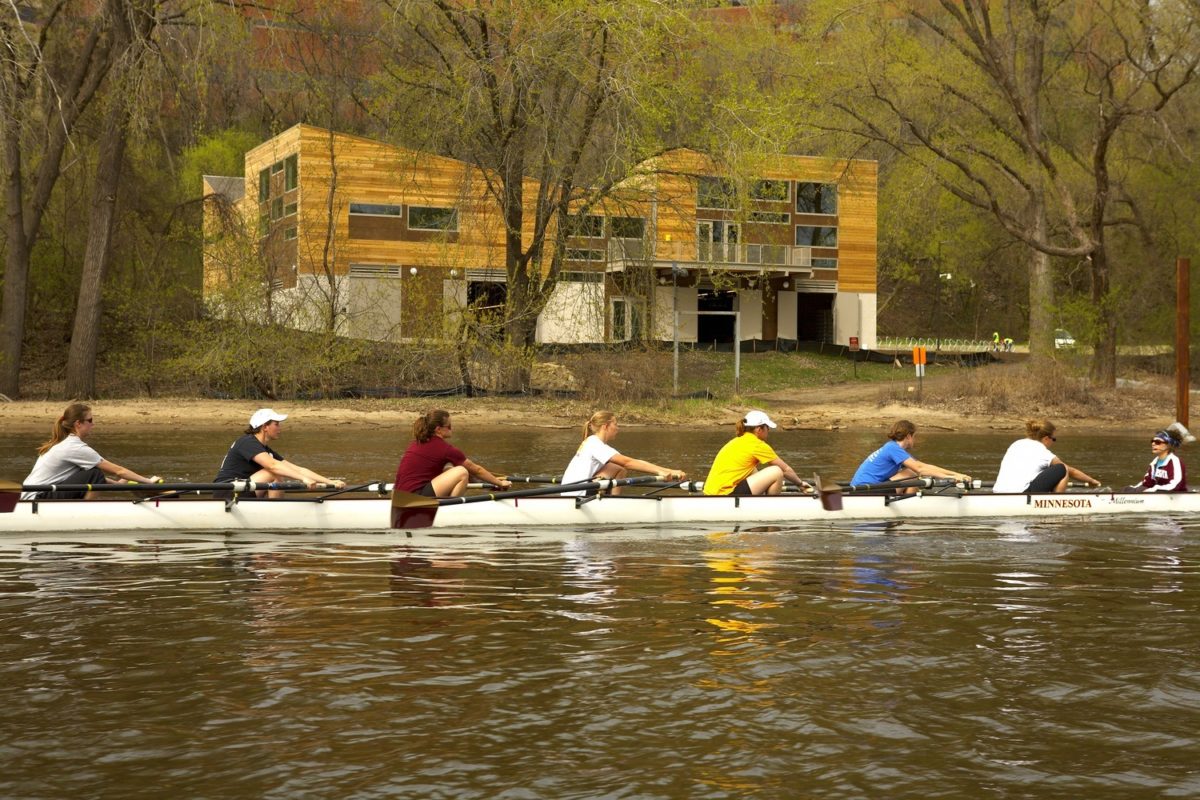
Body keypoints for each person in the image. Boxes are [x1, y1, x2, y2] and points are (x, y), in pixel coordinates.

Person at [21, 403, 162, 500]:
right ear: (78, 424)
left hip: (30, 496)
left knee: (93, 474)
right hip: (37, 498)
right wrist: (148, 482)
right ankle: (86, 511)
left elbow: (81, 477)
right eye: (90, 420)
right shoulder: (74, 447)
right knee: (95, 472)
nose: (93, 424)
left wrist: (118, 485)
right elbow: (118, 471)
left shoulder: (64, 443)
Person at [214, 408, 346, 498]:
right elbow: (273, 466)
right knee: (274, 472)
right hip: (226, 492)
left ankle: (274, 509)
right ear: (265, 427)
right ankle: (276, 511)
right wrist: (303, 480)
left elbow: (298, 469)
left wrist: (330, 481)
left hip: (243, 489)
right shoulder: (247, 442)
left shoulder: (266, 450)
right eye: (276, 424)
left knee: (280, 471)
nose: (280, 428)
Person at [561, 410, 686, 496]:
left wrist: (667, 470)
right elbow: (628, 463)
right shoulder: (595, 444)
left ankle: (613, 502)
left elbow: (632, 461)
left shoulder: (594, 442)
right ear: (605, 426)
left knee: (618, 468)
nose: (618, 428)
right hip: (576, 493)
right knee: (621, 466)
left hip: (574, 490)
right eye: (615, 424)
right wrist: (662, 471)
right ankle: (613, 504)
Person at [394, 409, 511, 497]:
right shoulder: (445, 449)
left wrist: (490, 485)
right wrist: (499, 483)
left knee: (450, 466)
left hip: (399, 495)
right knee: (462, 472)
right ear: (438, 429)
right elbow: (476, 470)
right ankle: (451, 509)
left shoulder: (416, 442)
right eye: (449, 426)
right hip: (415, 497)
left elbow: (472, 475)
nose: (452, 428)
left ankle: (448, 503)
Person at [703, 410, 807, 496]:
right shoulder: (757, 445)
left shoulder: (737, 440)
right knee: (776, 471)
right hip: (725, 494)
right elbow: (785, 470)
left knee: (753, 470)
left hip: (711, 493)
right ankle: (770, 508)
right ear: (759, 429)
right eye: (767, 427)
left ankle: (762, 499)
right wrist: (800, 483)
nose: (769, 430)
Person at [850, 419, 971, 489]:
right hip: (864, 490)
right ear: (908, 436)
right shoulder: (892, 448)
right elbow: (921, 470)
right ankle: (909, 507)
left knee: (912, 471)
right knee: (913, 472)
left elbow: (924, 466)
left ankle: (908, 502)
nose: (915, 440)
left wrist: (957, 474)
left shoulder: (893, 448)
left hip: (869, 486)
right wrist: (952, 479)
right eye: (914, 436)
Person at [993, 419, 1101, 493]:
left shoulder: (1016, 444)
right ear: (1046, 438)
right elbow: (1070, 471)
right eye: (1053, 439)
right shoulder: (1042, 451)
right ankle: (1056, 504)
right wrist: (1091, 481)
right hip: (1022, 494)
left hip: (997, 492)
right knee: (1062, 469)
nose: (1053, 442)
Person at [1128, 427, 1188, 492]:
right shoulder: (1154, 463)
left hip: (1174, 496)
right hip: (1157, 494)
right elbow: (1147, 482)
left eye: (1158, 442)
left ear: (1168, 445)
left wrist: (1154, 489)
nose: (1153, 444)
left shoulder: (1175, 462)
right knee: (1127, 489)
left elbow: (1176, 485)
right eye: (1152, 441)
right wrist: (1133, 489)